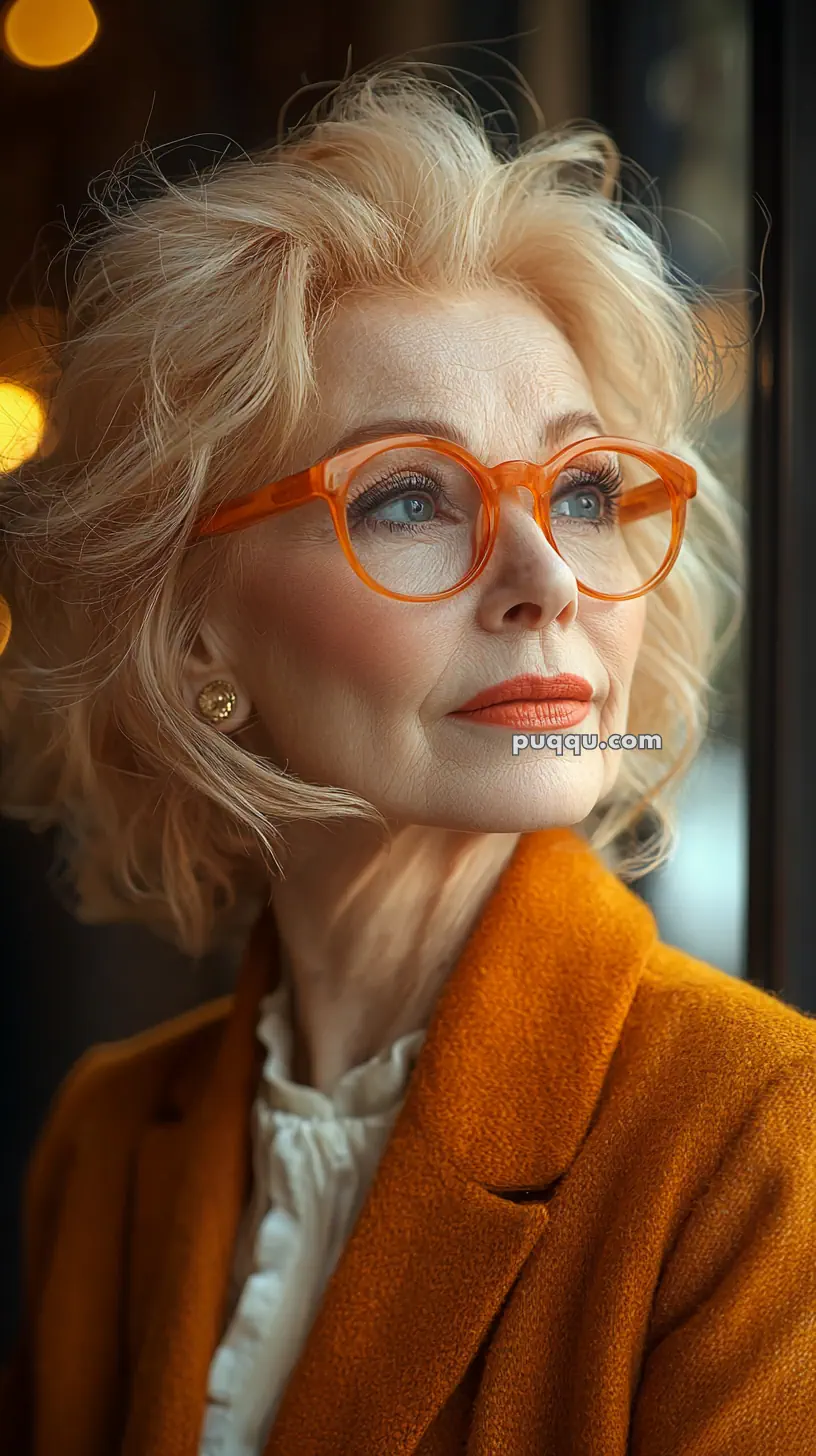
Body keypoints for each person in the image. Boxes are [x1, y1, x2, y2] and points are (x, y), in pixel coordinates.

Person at [0, 61, 814, 1456]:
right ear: (191, 628)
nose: (547, 577)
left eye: (579, 488)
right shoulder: (104, 1135)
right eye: (408, 498)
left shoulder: (760, 1140)